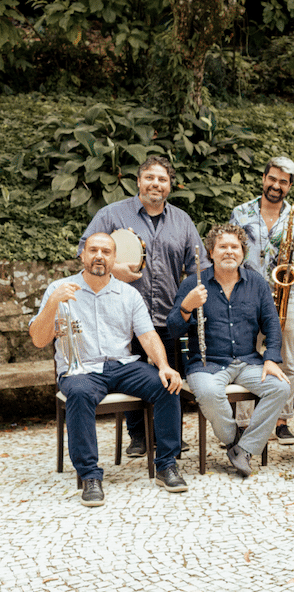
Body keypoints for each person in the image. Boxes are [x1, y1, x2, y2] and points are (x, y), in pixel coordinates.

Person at [30, 233, 187, 506]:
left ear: (114, 258)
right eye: (93, 250)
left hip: (122, 365)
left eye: (106, 251)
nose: (99, 256)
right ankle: (90, 475)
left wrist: (164, 366)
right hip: (82, 370)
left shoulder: (128, 294)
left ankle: (166, 464)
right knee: (78, 394)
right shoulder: (60, 288)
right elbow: (39, 339)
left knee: (168, 385)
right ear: (82, 255)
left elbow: (148, 336)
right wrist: (54, 301)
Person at [79, 155, 208, 456]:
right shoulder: (112, 214)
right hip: (122, 315)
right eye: (150, 177)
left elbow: (198, 266)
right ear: (138, 181)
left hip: (168, 312)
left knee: (170, 373)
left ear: (169, 186)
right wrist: (113, 270)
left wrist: (187, 302)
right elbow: (83, 250)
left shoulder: (183, 220)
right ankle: (137, 436)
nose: (156, 183)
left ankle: (171, 435)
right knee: (131, 371)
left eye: (162, 179)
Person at [167, 224, 292, 477]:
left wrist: (271, 359)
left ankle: (244, 448)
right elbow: (172, 329)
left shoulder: (256, 282)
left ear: (242, 252)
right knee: (210, 393)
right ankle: (235, 440)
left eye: (234, 247)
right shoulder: (193, 283)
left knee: (280, 388)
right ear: (211, 252)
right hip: (206, 362)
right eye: (222, 247)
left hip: (247, 361)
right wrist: (186, 307)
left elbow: (272, 324)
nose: (229, 252)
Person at [230, 156, 294, 446]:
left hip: (285, 295)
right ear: (264, 178)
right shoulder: (240, 213)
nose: (276, 185)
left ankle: (282, 420)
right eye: (272, 178)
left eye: (283, 181)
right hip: (245, 295)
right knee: (246, 356)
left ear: (290, 186)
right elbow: (229, 250)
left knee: (287, 358)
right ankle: (244, 422)